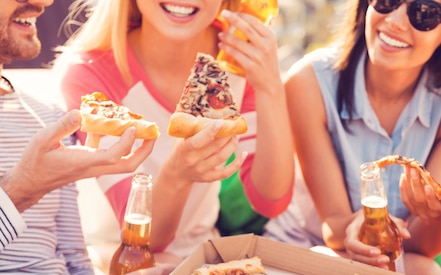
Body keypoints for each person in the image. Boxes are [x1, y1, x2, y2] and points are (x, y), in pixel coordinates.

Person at [0, 0, 327, 275]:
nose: (44, 1)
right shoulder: (84, 81)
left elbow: (72, 265)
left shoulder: (43, 115)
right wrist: (21, 188)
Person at [53, 0, 294, 261]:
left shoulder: (238, 59)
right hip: (117, 260)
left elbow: (271, 200)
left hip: (201, 260)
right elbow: (143, 237)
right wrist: (179, 173)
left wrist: (271, 87)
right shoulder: (89, 73)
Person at [265, 0, 441, 275]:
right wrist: (362, 229)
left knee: (428, 274)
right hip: (307, 248)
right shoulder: (309, 81)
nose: (395, 21)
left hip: (388, 258)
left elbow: (421, 248)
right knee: (326, 257)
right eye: (387, 1)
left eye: (424, 13)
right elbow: (334, 230)